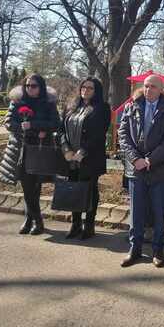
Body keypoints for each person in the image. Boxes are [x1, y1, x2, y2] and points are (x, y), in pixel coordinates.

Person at [118, 74, 164, 268]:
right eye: (146, 86)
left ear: (162, 89)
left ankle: (158, 249)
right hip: (136, 168)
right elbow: (123, 135)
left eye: (153, 86)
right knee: (136, 211)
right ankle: (135, 249)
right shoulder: (132, 106)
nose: (148, 90)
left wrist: (150, 160)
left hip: (160, 169)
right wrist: (136, 159)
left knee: (159, 211)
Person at [0, 74, 60, 235]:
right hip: (21, 150)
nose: (30, 89)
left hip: (40, 149)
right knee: (27, 186)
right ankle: (36, 220)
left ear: (41, 87)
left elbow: (55, 124)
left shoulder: (48, 103)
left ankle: (31, 219)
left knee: (35, 186)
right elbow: (9, 123)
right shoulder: (17, 102)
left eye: (34, 86)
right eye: (27, 85)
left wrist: (34, 125)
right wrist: (25, 128)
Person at [60, 77, 111, 240]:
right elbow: (61, 131)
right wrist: (66, 149)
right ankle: (75, 224)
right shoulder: (71, 106)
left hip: (90, 157)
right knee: (73, 188)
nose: (85, 90)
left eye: (90, 88)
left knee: (89, 189)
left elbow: (99, 134)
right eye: (83, 87)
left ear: (96, 91)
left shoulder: (102, 108)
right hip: (70, 157)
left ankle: (89, 225)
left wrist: (82, 152)